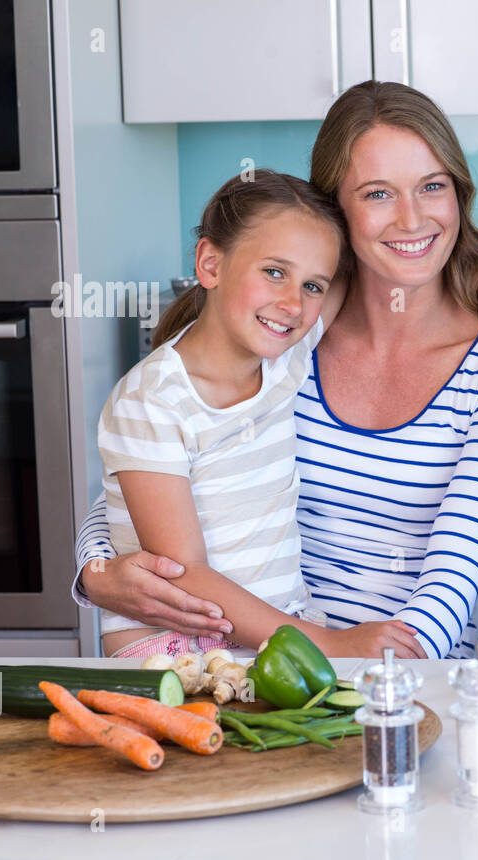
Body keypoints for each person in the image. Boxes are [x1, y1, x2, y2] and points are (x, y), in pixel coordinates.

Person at [74, 82, 478, 660]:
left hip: (395, 677)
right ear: (336, 212)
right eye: (378, 193)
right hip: (253, 674)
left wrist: (359, 676)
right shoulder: (288, 343)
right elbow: (144, 484)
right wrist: (96, 571)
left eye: (432, 186)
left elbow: (453, 579)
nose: (411, 218)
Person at [97, 169, 361, 658]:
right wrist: (329, 644)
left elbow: (365, 261)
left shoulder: (286, 362)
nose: (292, 303)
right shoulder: (150, 401)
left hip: (271, 640)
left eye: (312, 285)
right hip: (175, 649)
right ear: (210, 264)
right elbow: (185, 575)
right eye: (274, 272)